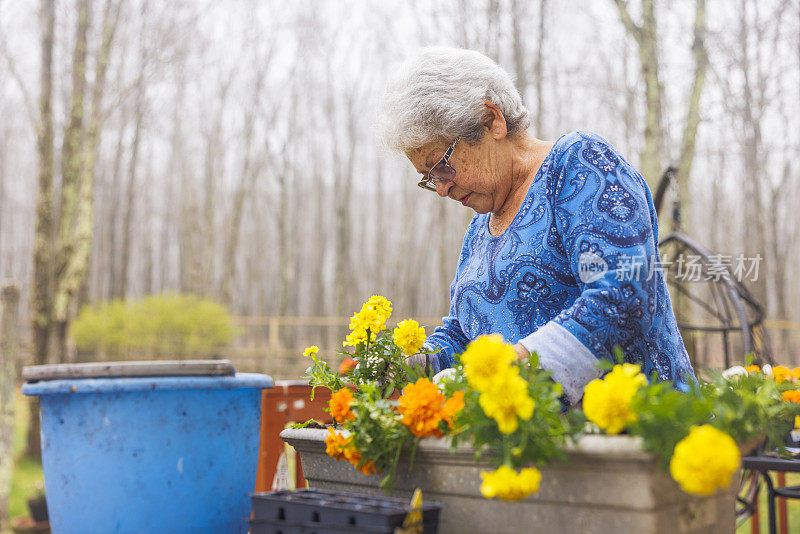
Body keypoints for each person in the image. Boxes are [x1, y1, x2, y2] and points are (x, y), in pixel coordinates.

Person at [378, 46, 695, 405]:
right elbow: (466, 339)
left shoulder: (579, 165)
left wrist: (514, 367)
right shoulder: (479, 231)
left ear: (491, 121)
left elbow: (624, 295)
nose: (440, 188)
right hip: (533, 449)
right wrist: (406, 367)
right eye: (428, 178)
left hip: (639, 436)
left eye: (442, 167)